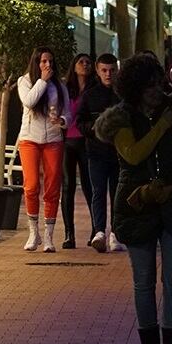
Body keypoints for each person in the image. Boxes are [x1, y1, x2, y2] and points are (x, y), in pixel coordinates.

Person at [93, 54, 172, 344]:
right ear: (135, 87)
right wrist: (162, 127)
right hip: (137, 205)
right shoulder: (121, 117)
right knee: (143, 282)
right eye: (149, 84)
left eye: (159, 82)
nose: (157, 89)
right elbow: (133, 153)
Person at [17, 47, 70, 253]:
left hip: (53, 138)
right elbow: (29, 101)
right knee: (31, 186)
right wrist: (43, 81)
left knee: (52, 186)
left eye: (50, 61)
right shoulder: (25, 81)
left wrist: (63, 120)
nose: (48, 65)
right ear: (36, 62)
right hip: (29, 138)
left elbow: (68, 112)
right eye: (43, 61)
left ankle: (48, 235)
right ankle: (33, 232)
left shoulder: (60, 85)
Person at [76, 53, 123, 252]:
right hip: (96, 151)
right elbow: (80, 121)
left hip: (119, 153)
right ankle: (99, 231)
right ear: (97, 70)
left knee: (117, 193)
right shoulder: (90, 95)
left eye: (111, 70)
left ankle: (115, 233)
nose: (108, 74)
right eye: (104, 70)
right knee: (98, 191)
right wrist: (93, 128)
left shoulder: (123, 94)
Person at [62, 53, 96, 249]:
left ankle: (95, 229)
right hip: (67, 141)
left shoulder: (94, 89)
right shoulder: (66, 89)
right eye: (81, 62)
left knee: (89, 185)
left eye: (88, 62)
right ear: (74, 66)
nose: (85, 65)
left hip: (87, 141)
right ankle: (69, 234)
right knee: (67, 187)